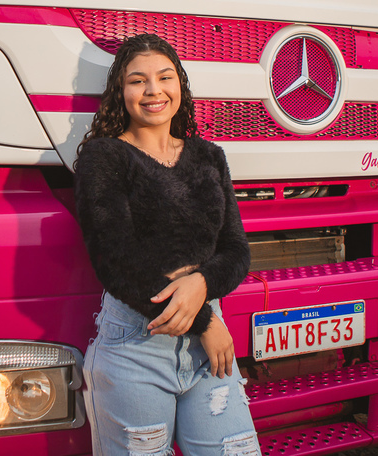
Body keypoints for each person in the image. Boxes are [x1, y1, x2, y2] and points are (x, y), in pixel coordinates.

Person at [73, 33, 259, 456]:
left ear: (180, 85)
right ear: (121, 92)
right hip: (137, 348)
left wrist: (201, 286)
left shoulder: (209, 156)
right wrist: (205, 322)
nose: (153, 90)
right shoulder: (105, 157)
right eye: (138, 81)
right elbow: (116, 261)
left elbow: (236, 251)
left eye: (164, 77)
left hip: (210, 354)